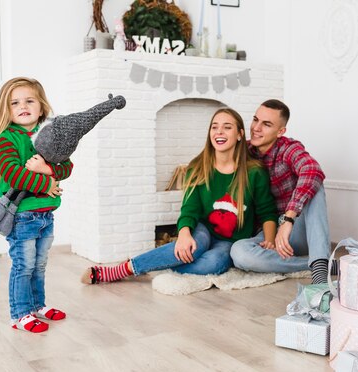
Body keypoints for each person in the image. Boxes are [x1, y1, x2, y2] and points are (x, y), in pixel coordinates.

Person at [80, 107, 278, 284]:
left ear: (239, 135)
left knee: (214, 263)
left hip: (231, 241)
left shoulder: (254, 172)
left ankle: (156, 263)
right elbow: (189, 210)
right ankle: (122, 270)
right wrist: (184, 235)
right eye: (214, 127)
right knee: (193, 247)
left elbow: (267, 211)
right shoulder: (197, 168)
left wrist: (269, 241)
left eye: (227, 127)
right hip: (203, 230)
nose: (219, 131)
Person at [0, 77, 71, 333]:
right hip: (21, 216)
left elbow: (67, 166)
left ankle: (37, 306)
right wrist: (46, 184)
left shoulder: (49, 134)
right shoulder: (7, 139)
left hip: (45, 215)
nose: (23, 106)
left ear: (41, 106)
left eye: (29, 100)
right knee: (24, 265)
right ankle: (20, 314)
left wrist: (46, 169)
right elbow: (12, 173)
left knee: (40, 264)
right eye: (15, 102)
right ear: (6, 110)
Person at [229, 99, 333, 284]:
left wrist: (288, 220)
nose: (256, 128)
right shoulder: (242, 150)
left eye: (266, 124)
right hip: (266, 234)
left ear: (280, 131)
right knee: (240, 254)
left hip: (295, 231)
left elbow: (312, 170)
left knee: (314, 181)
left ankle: (319, 268)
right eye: (255, 120)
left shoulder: (288, 148)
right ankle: (314, 265)